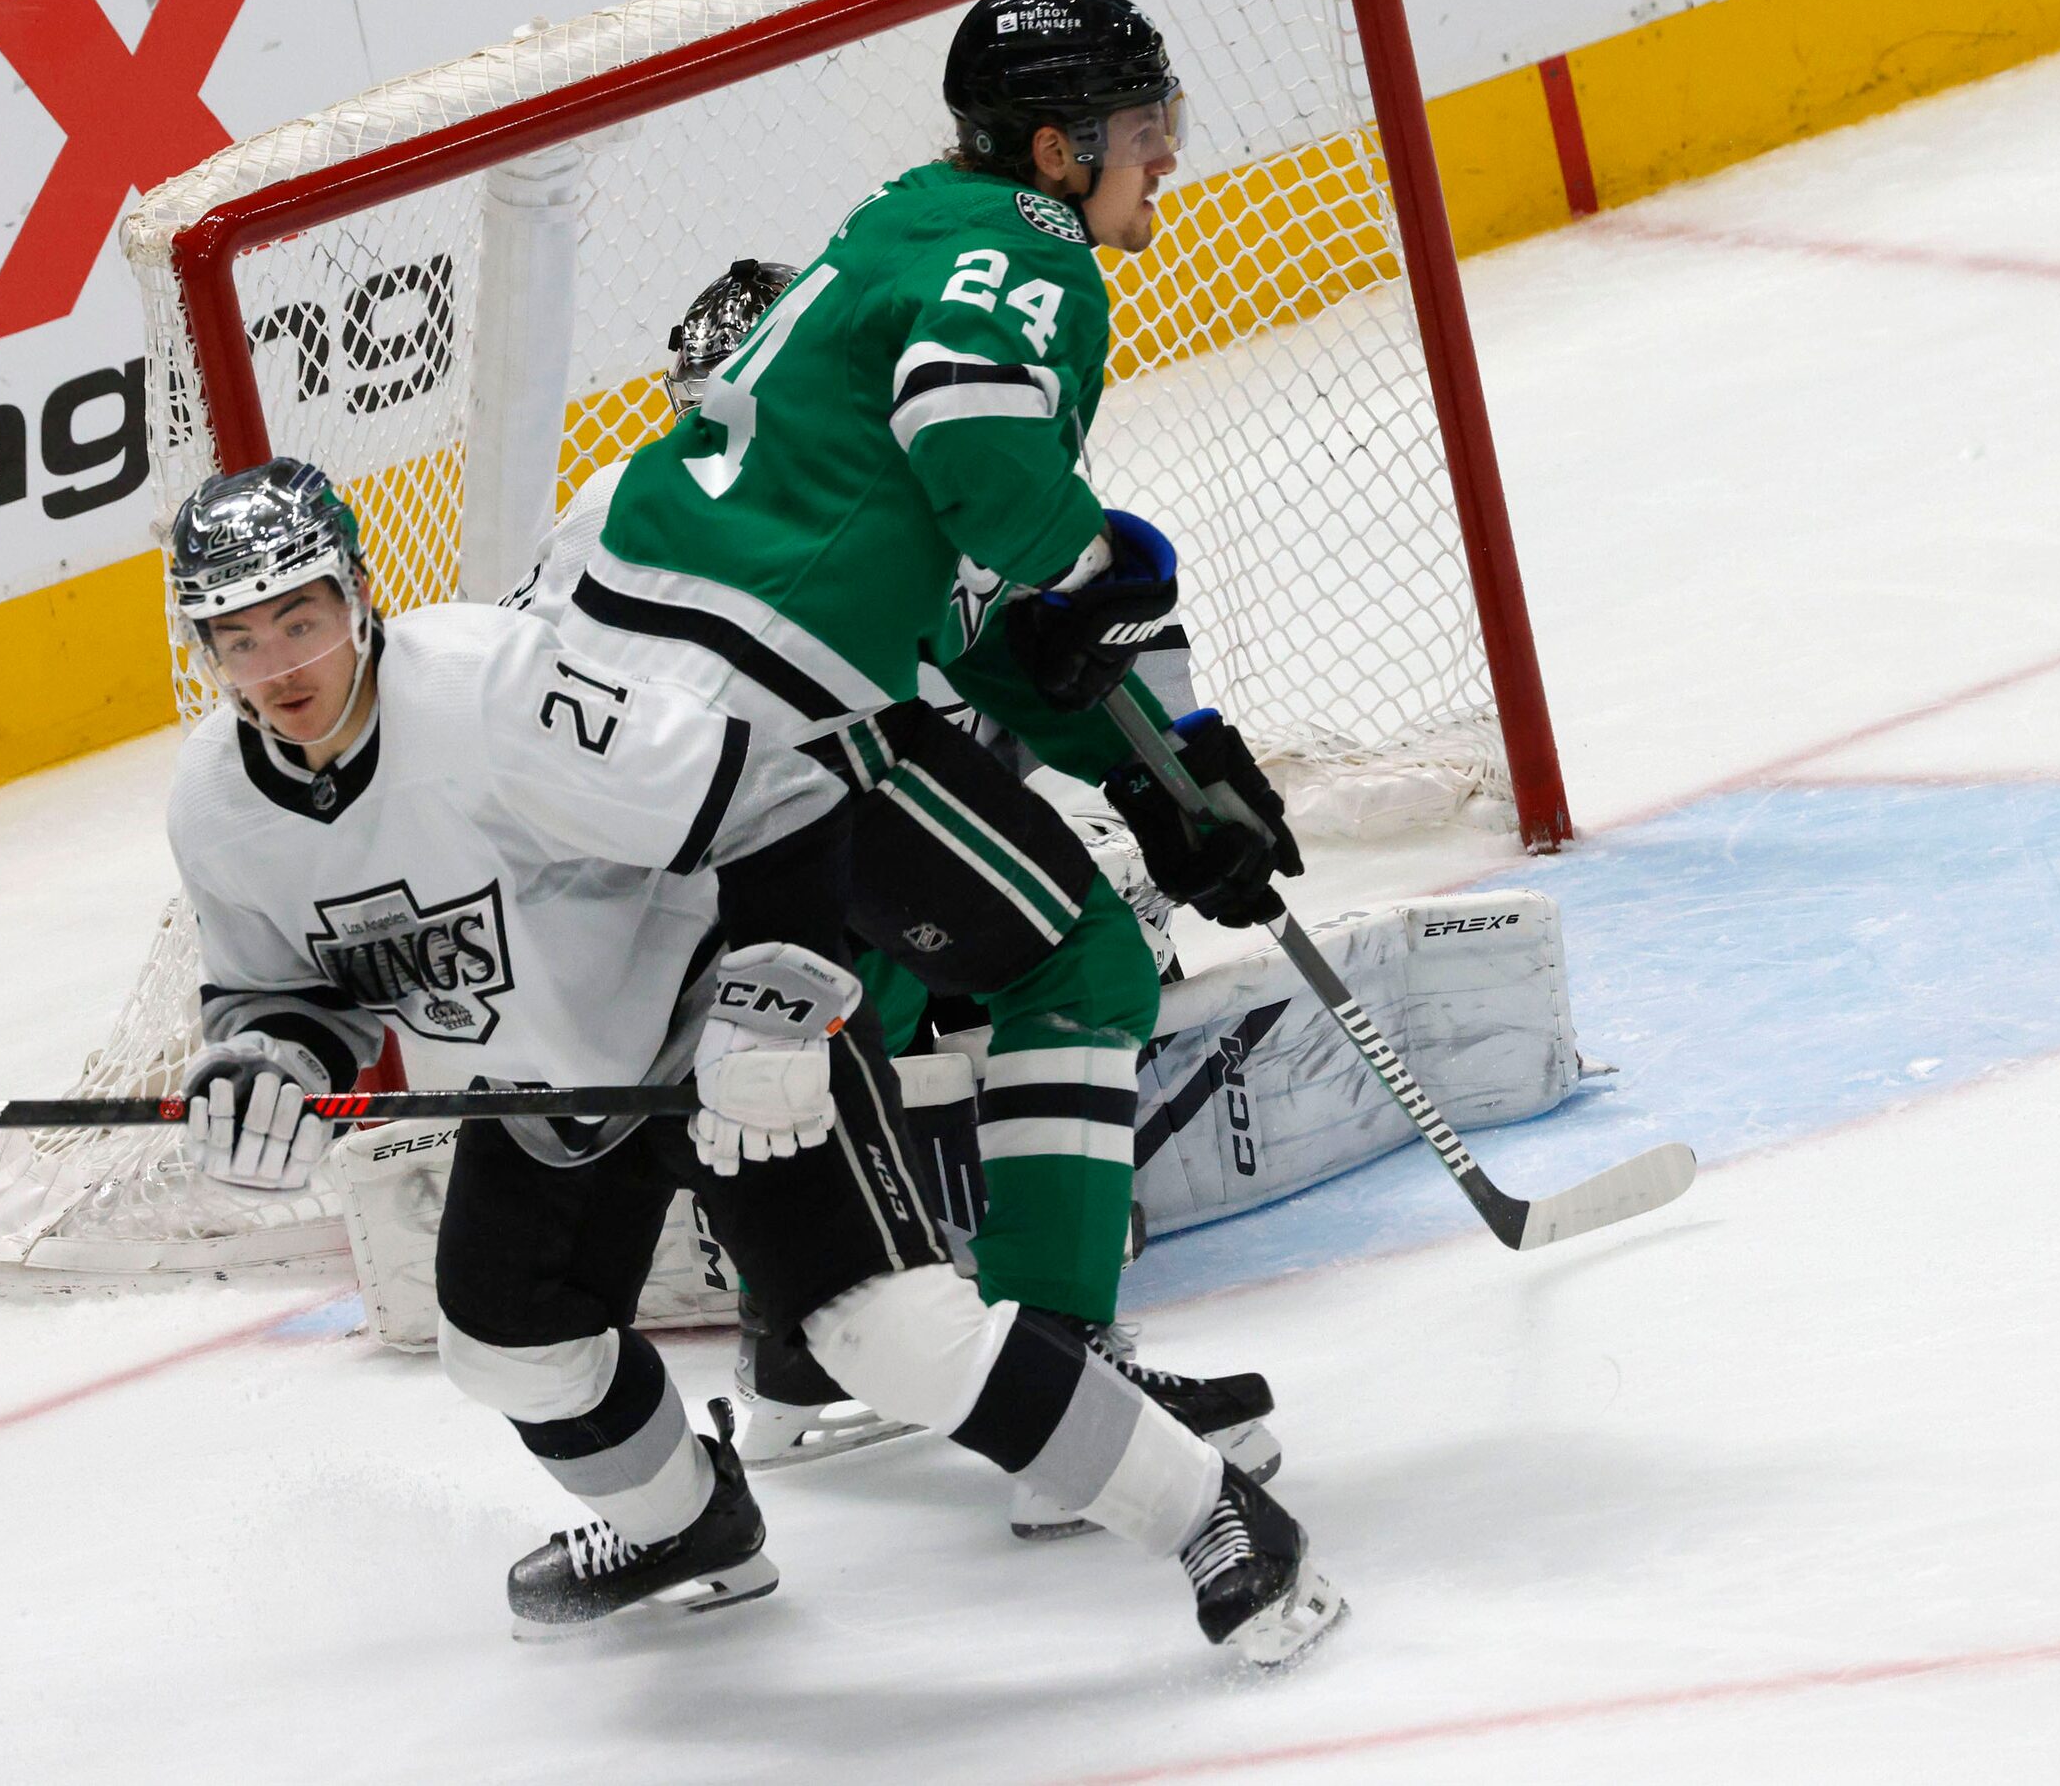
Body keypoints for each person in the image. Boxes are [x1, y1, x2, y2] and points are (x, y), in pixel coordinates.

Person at [160, 457, 1343, 1664]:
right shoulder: (213, 803)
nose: (280, 667)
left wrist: (769, 1006)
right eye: (239, 638)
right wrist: (268, 1070)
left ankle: (1214, 1513)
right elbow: (288, 991)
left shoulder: (487, 693)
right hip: (544, 1096)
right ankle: (688, 1528)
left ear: (355, 595)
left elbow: (775, 803)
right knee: (505, 1343)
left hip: (719, 1034)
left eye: (299, 620)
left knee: (891, 1339)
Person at [531, 0, 1304, 1534]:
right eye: (1142, 131)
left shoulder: (899, 231)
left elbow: (974, 624)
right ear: (1054, 144)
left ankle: (796, 1363)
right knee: (1069, 965)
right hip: (756, 717)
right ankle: (1062, 1387)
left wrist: (1165, 763)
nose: (1165, 158)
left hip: (601, 713)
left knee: (806, 998)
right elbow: (981, 469)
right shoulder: (1018, 251)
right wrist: (1092, 566)